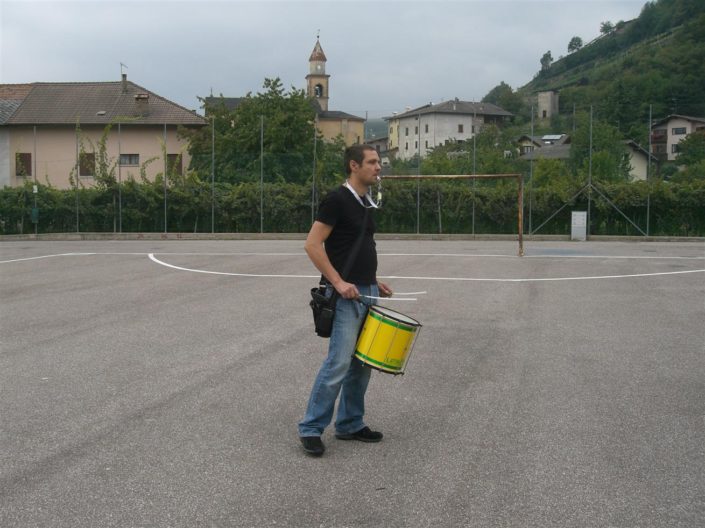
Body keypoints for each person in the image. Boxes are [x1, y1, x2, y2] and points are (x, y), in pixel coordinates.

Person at [298, 144, 393, 457]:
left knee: (362, 362)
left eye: (378, 162)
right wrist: (338, 282)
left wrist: (372, 280)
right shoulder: (337, 199)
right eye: (372, 162)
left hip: (366, 291)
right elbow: (312, 244)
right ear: (354, 165)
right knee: (338, 362)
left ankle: (350, 423)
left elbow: (354, 245)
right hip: (345, 296)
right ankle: (311, 428)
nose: (378, 167)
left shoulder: (364, 201)